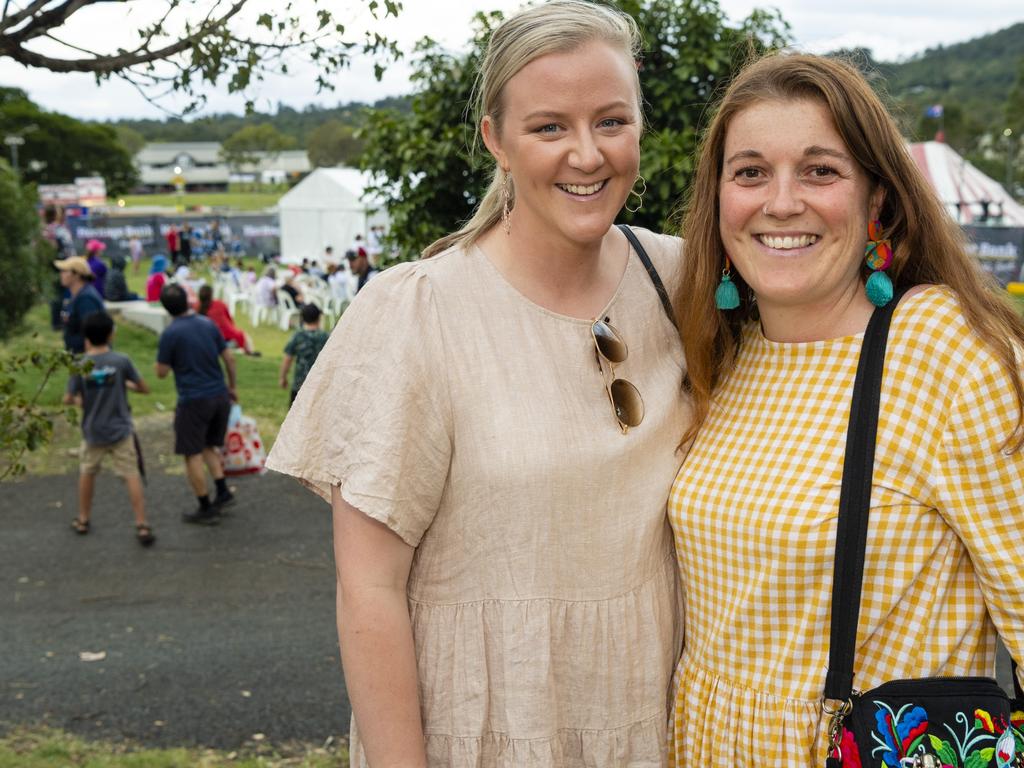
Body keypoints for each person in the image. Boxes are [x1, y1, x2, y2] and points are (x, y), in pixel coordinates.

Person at [266, 2, 688, 765]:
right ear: (495, 138)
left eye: (612, 121)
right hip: (491, 731)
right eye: (549, 126)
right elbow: (369, 589)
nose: (587, 155)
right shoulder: (415, 312)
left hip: (656, 725)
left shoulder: (681, 278)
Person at [666, 53, 1024, 766]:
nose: (782, 201)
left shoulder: (941, 351)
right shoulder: (728, 354)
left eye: (820, 171)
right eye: (750, 172)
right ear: (718, 201)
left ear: (878, 203)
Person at [63, 311, 154, 546]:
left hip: (93, 430)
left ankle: (83, 518)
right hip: (120, 429)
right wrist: (126, 384)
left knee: (87, 471)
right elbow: (144, 388)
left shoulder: (80, 364)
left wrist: (79, 400)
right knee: (130, 474)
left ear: (86, 337)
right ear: (111, 334)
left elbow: (68, 398)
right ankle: (142, 523)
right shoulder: (121, 361)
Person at [156, 284, 237, 525]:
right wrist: (232, 387)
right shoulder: (207, 323)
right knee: (208, 446)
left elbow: (161, 372)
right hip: (219, 395)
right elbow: (229, 358)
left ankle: (205, 506)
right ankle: (222, 490)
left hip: (193, 400)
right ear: (187, 301)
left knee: (192, 453)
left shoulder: (170, 333)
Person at [279, 303, 328, 405]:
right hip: (319, 384)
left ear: (302, 318)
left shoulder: (298, 336)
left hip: (299, 384)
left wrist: (283, 377)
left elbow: (287, 359)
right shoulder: (325, 337)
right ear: (318, 318)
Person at [56, 255, 104, 354]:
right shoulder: (75, 295)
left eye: (65, 271)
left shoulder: (86, 299)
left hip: (87, 360)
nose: (61, 274)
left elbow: (92, 333)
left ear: (77, 275)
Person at [197, 284, 259, 356]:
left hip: (204, 341)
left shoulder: (197, 307)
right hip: (223, 340)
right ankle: (250, 353)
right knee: (244, 336)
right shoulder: (219, 304)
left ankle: (249, 353)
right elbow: (229, 321)